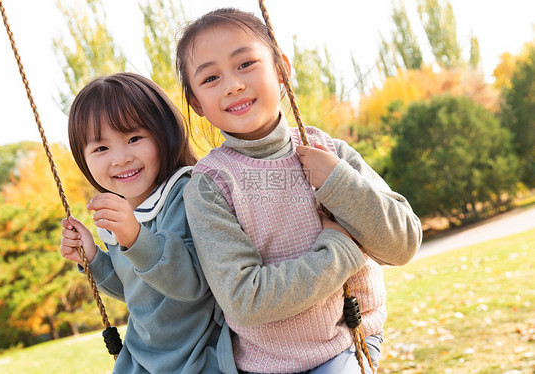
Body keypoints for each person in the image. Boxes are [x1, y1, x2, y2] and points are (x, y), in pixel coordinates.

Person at [175, 8, 422, 374]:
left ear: (281, 68)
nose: (233, 85)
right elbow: (245, 298)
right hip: (264, 364)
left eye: (245, 64)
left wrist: (338, 182)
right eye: (210, 78)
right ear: (197, 103)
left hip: (347, 345)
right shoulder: (210, 185)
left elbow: (403, 244)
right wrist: (338, 252)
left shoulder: (330, 153)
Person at [58, 72, 237, 374]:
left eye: (134, 138)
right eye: (101, 148)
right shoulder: (120, 211)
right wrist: (94, 259)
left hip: (198, 357)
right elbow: (141, 293)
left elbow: (194, 284)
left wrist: (135, 236)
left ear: (164, 133)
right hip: (141, 358)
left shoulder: (185, 193)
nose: (120, 158)